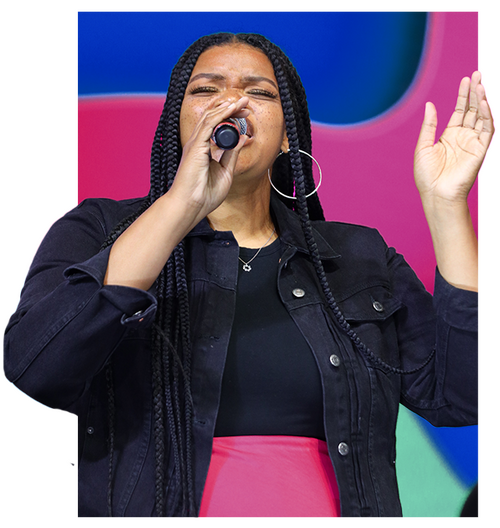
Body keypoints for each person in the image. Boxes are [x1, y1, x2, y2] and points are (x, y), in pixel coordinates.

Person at [1, 33, 489, 520]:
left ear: (288, 133)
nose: (232, 102)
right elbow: (36, 367)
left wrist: (447, 205)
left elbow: (464, 394)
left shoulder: (358, 256)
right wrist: (182, 204)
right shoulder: (99, 229)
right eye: (206, 90)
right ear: (177, 120)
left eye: (259, 92)